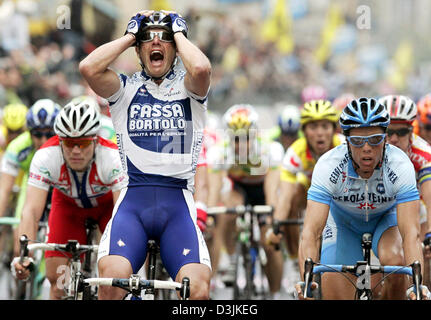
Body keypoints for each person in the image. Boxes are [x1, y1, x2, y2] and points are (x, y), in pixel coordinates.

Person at [79, 10, 212, 300]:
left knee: (198, 292)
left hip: (177, 204)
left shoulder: (189, 88)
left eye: (164, 39)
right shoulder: (125, 88)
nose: (156, 43)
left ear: (176, 49)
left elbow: (201, 68)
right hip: (133, 203)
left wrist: (178, 33)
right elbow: (88, 68)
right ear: (139, 50)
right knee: (109, 286)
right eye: (147, 39)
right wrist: (128, 36)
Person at [295, 97, 428, 300]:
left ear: (385, 138)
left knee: (396, 261)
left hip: (385, 220)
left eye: (374, 140)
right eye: (357, 141)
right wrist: (306, 281)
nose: (366, 148)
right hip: (342, 223)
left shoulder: (400, 165)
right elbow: (311, 232)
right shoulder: (329, 164)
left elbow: (411, 234)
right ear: (346, 140)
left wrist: (416, 285)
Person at [11, 100, 127, 300]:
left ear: (95, 141)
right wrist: (24, 256)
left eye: (82, 143)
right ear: (60, 140)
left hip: (108, 208)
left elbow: (123, 214)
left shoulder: (112, 158)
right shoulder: (46, 156)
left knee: (113, 282)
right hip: (68, 208)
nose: (75, 151)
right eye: (68, 143)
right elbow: (30, 211)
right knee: (58, 284)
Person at [265, 99, 343, 295]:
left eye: (325, 126)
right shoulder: (296, 152)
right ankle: (293, 260)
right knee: (293, 198)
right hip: (309, 191)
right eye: (313, 127)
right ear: (304, 131)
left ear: (334, 129)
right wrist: (277, 225)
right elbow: (285, 196)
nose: (319, 133)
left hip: (338, 193)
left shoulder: (343, 147)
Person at [206, 103, 285, 298]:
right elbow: (215, 191)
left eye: (247, 138)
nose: (241, 144)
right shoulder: (219, 152)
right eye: (236, 139)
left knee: (270, 243)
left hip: (263, 190)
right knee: (227, 211)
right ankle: (232, 256)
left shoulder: (270, 149)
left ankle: (274, 292)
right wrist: (208, 215)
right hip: (238, 189)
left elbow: (272, 191)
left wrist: (270, 218)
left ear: (255, 134)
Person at [379, 94, 431, 288]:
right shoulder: (370, 148)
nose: (393, 138)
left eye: (401, 132)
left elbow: (429, 197)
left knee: (422, 250)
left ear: (412, 131)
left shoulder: (423, 153)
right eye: (388, 131)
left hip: (413, 205)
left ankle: (419, 290)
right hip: (377, 207)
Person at [0, 99, 60, 221]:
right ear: (30, 133)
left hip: (61, 187)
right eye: (37, 134)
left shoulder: (66, 145)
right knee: (21, 222)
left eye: (49, 134)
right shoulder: (18, 147)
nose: (43, 140)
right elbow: (4, 190)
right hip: (32, 184)